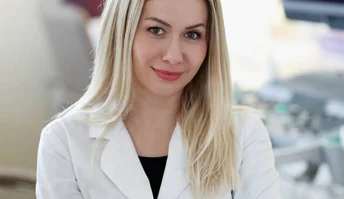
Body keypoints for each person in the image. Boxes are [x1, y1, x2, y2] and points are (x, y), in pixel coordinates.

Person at [35, 0, 280, 198]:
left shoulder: (244, 132)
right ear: (122, 33)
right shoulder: (63, 141)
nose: (174, 56)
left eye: (193, 34)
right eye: (156, 30)